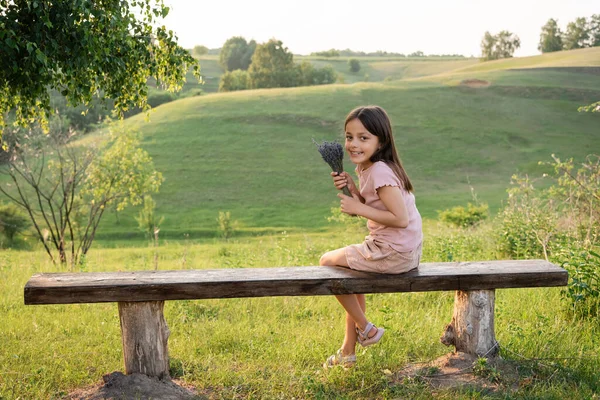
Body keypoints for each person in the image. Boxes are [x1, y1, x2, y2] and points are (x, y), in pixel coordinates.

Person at [319, 105, 423, 368]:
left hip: (392, 252)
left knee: (327, 263)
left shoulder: (379, 171)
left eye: (363, 138)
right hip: (400, 250)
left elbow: (400, 219)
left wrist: (358, 207)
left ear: (381, 141)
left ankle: (367, 328)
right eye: (349, 137)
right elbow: (378, 207)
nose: (354, 144)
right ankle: (348, 352)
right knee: (351, 279)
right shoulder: (371, 168)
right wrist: (356, 193)